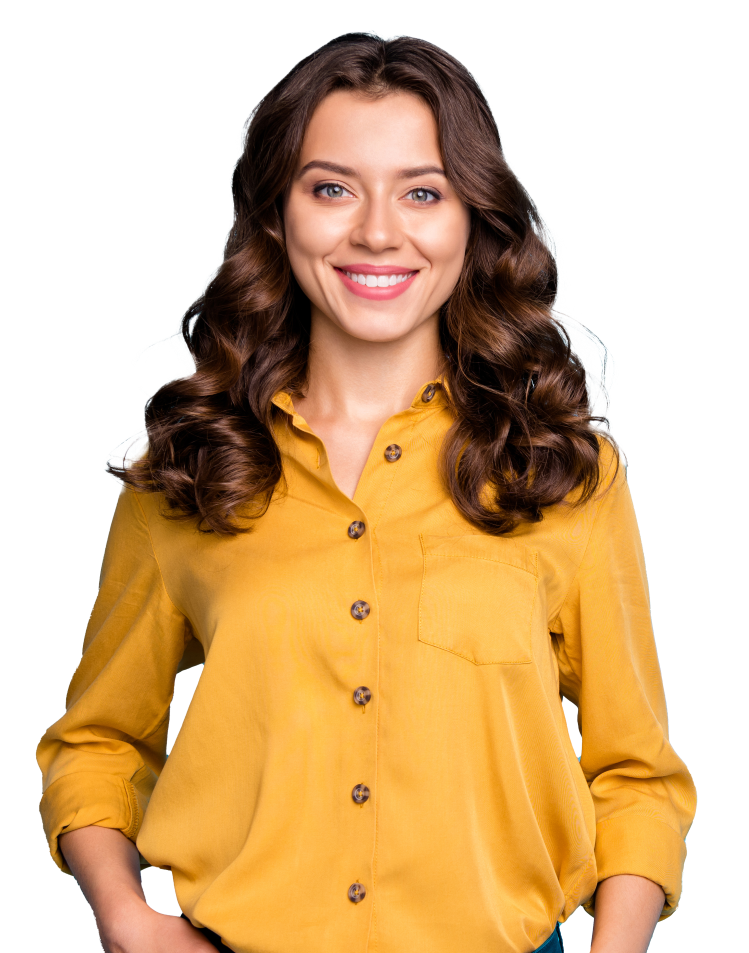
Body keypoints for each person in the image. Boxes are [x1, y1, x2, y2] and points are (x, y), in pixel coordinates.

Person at [36, 32, 697, 953]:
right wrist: (126, 920)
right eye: (332, 187)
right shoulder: (192, 468)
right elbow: (98, 741)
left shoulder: (561, 474)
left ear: (473, 219)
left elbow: (635, 772)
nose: (378, 231)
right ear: (276, 214)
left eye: (422, 192)